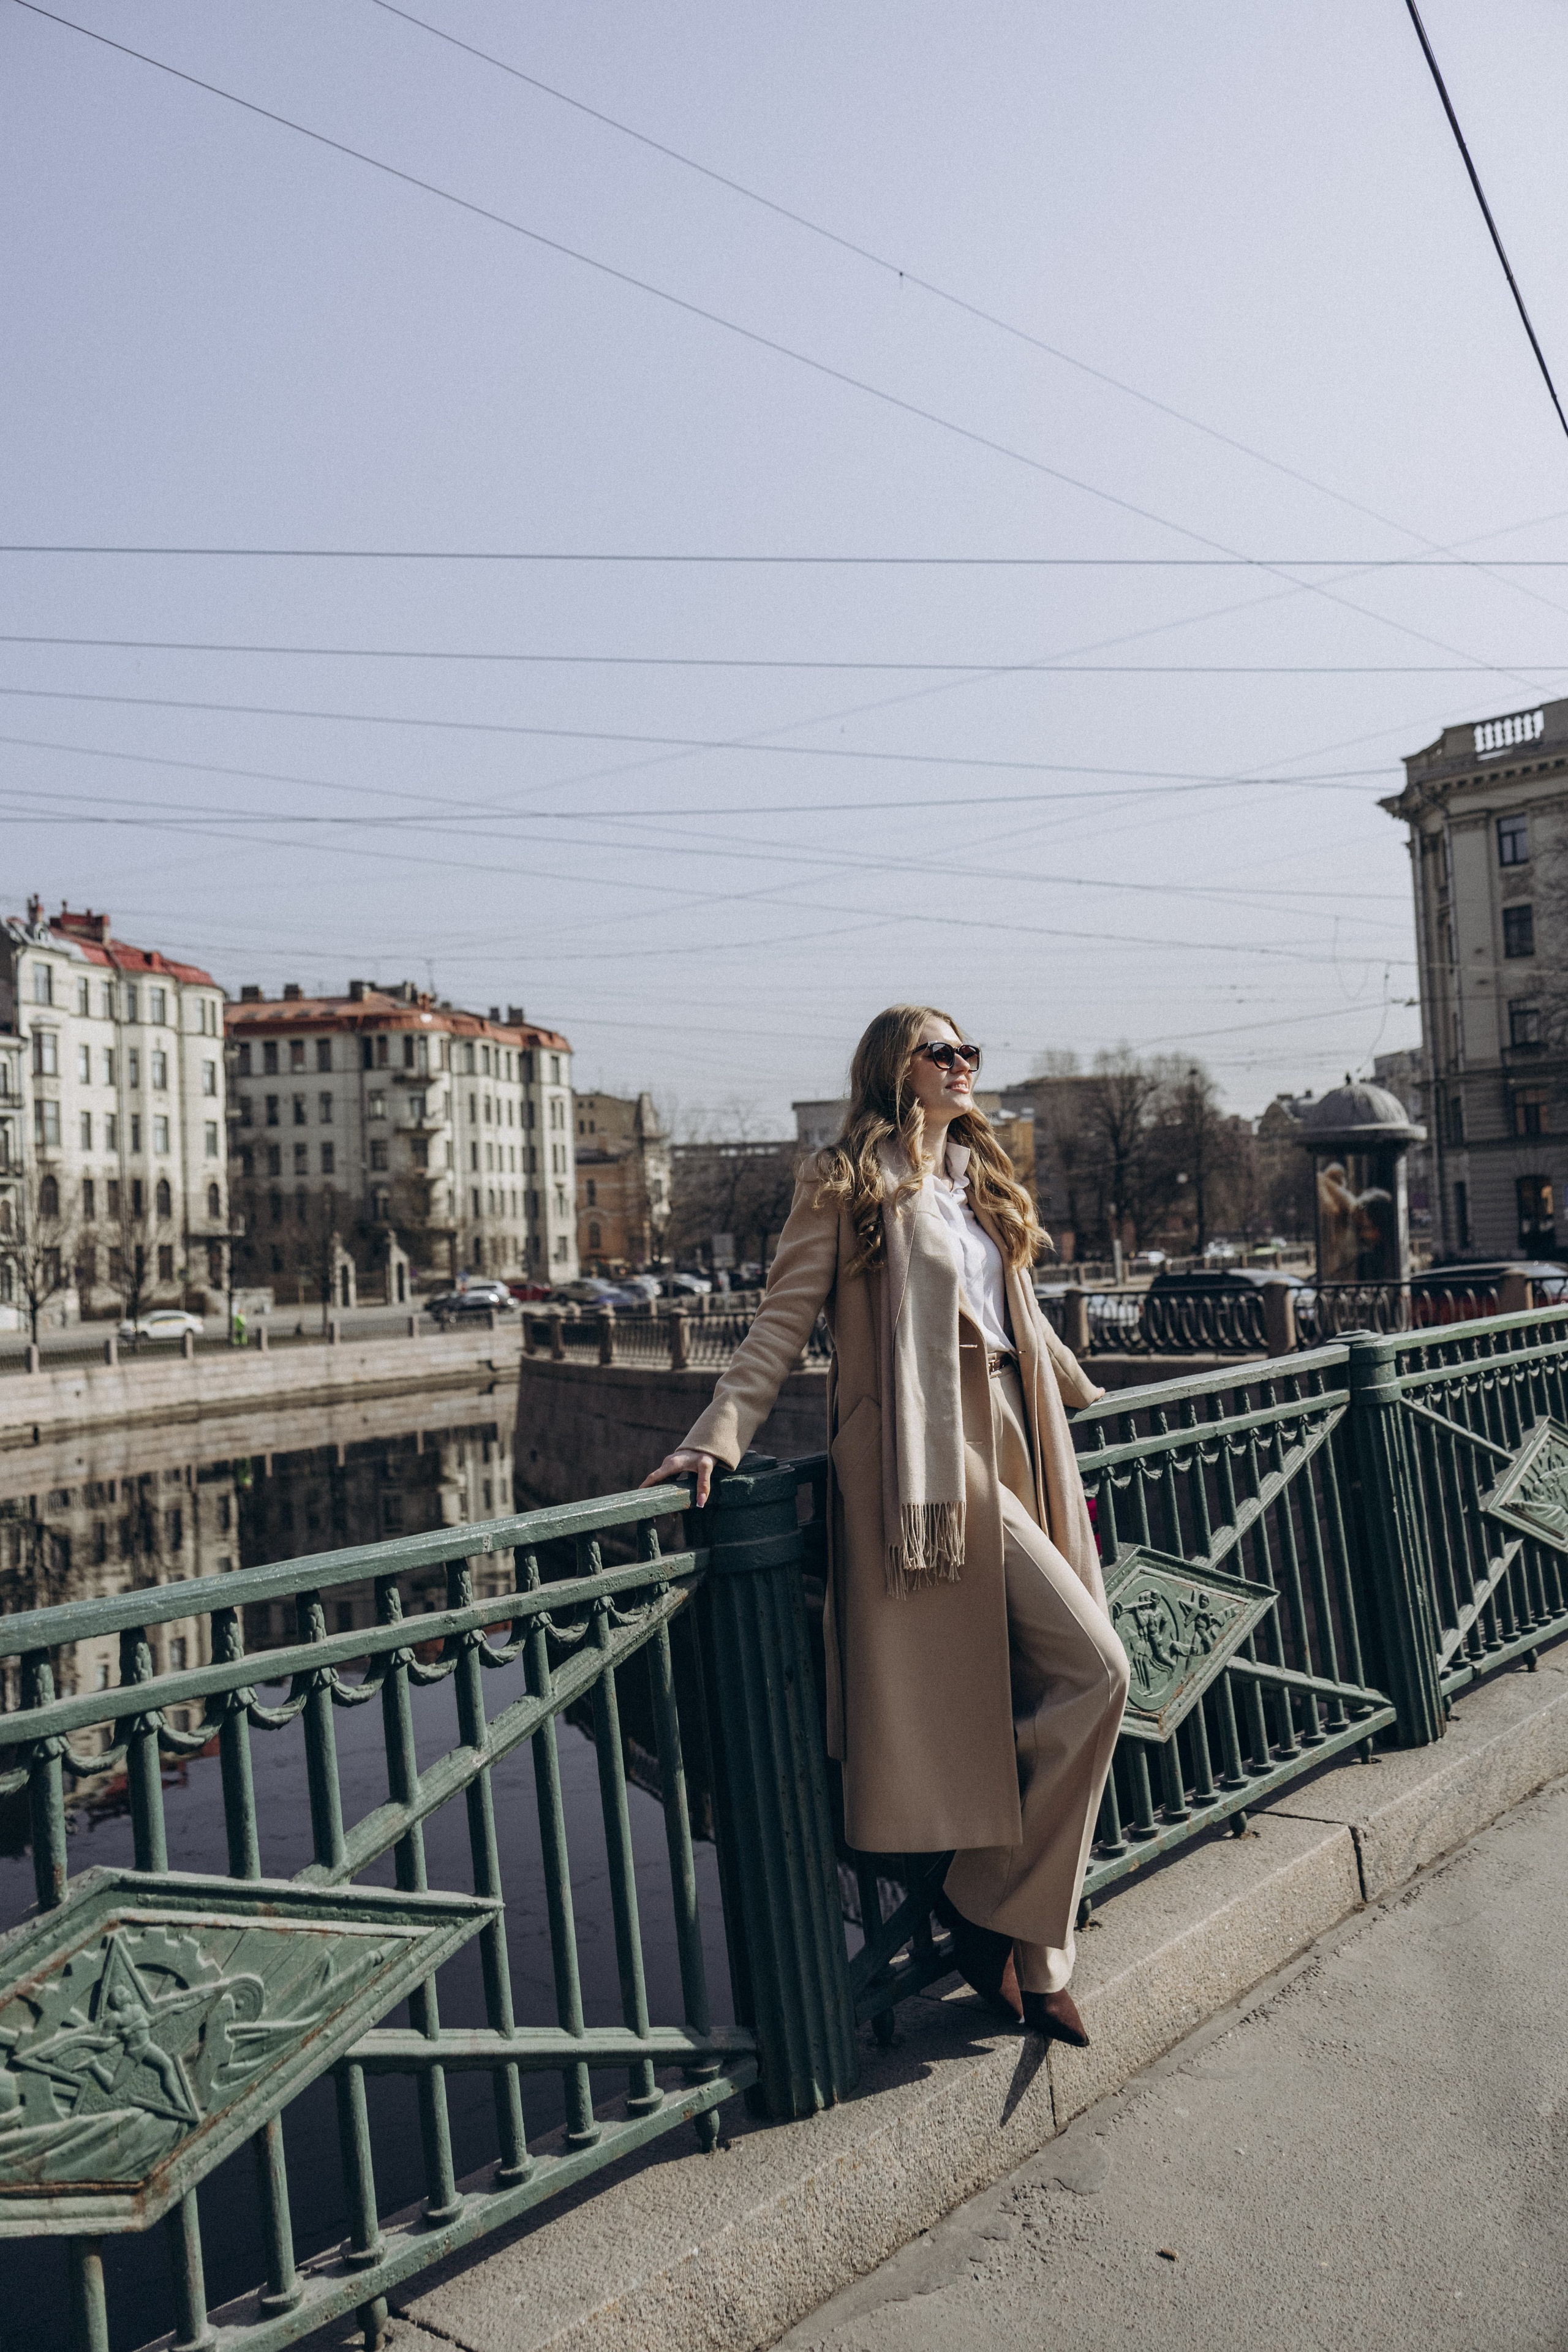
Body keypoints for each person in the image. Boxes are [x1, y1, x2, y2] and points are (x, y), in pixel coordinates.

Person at [644, 1006, 1129, 2045]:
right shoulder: (848, 1181)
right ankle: (1009, 1926)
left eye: (969, 1053)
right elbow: (782, 1317)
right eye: (940, 1053)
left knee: (1067, 1679)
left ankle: (1003, 1917)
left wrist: (1078, 1390)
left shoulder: (983, 1178)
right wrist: (716, 1437)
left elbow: (1018, 1316)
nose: (963, 1067)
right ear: (893, 1071)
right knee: (1099, 1671)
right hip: (927, 1452)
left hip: (1020, 1428)